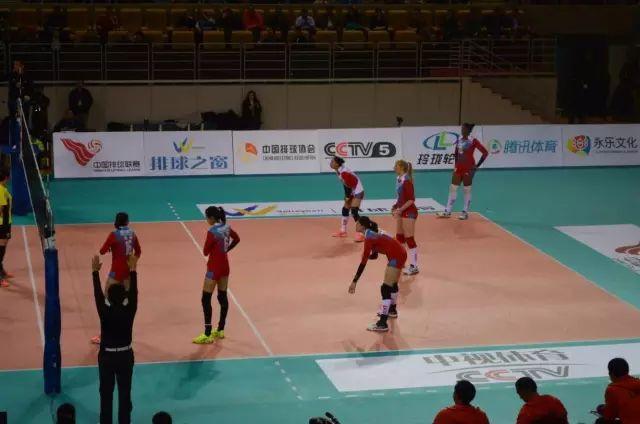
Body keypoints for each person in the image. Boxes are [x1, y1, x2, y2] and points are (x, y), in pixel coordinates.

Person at [93, 254, 138, 424]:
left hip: (107, 357)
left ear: (108, 299)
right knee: (125, 396)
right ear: (124, 297)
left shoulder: (104, 311)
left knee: (106, 396)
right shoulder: (130, 310)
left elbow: (97, 295)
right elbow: (134, 293)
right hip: (125, 356)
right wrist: (133, 269)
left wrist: (95, 272)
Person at [349, 216, 406, 332]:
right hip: (399, 253)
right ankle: (392, 310)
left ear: (362, 226)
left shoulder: (369, 237)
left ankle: (382, 323)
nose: (355, 224)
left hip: (396, 256)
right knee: (392, 284)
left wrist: (354, 281)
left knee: (385, 288)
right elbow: (375, 255)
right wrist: (369, 255)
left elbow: (363, 263)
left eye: (357, 223)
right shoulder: (371, 232)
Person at [92, 212, 142, 345]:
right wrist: (133, 262)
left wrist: (111, 249)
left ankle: (103, 335)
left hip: (115, 275)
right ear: (127, 222)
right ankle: (125, 332)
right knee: (129, 304)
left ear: (116, 222)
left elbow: (102, 251)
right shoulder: (133, 234)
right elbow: (138, 252)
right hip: (128, 275)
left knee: (105, 303)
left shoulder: (113, 235)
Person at [193, 206, 240, 344]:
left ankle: (207, 334)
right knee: (222, 297)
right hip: (225, 267)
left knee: (205, 299)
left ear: (212, 218)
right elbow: (237, 239)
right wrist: (226, 250)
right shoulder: (226, 227)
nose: (206, 220)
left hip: (214, 269)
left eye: (207, 217)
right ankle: (220, 329)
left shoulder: (212, 231)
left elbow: (205, 251)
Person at [436, 123, 488, 220]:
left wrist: (477, 166)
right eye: (462, 128)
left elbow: (485, 152)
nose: (462, 130)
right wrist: (456, 165)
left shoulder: (473, 141)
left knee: (466, 189)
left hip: (469, 168)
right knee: (453, 188)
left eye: (464, 129)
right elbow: (456, 153)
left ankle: (464, 212)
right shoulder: (459, 139)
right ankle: (447, 211)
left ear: (468, 130)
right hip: (459, 168)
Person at [392, 160, 419, 275]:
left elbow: (411, 200)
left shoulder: (407, 181)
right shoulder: (399, 179)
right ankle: (401, 261)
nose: (394, 168)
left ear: (402, 168)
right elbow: (400, 197)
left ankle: (414, 266)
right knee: (399, 237)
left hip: (409, 212)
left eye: (396, 166)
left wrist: (400, 210)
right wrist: (395, 206)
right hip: (402, 210)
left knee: (409, 239)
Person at [329, 157, 365, 242]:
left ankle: (361, 233)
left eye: (332, 162)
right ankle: (343, 231)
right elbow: (345, 184)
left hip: (358, 191)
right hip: (352, 190)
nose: (331, 163)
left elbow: (350, 184)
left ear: (337, 164)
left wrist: (348, 196)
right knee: (345, 209)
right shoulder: (339, 171)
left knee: (354, 211)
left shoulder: (344, 172)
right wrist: (347, 196)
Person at [595, 358, 640, 423]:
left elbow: (609, 416)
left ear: (611, 373)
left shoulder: (612, 390)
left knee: (600, 421)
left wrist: (600, 409)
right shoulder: (637, 383)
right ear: (627, 371)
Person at [0, 170, 12, 287]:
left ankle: (1, 270)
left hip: (6, 222)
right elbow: (1, 208)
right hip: (2, 223)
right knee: (1, 248)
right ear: (5, 178)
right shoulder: (0, 189)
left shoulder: (4, 188)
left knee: (3, 246)